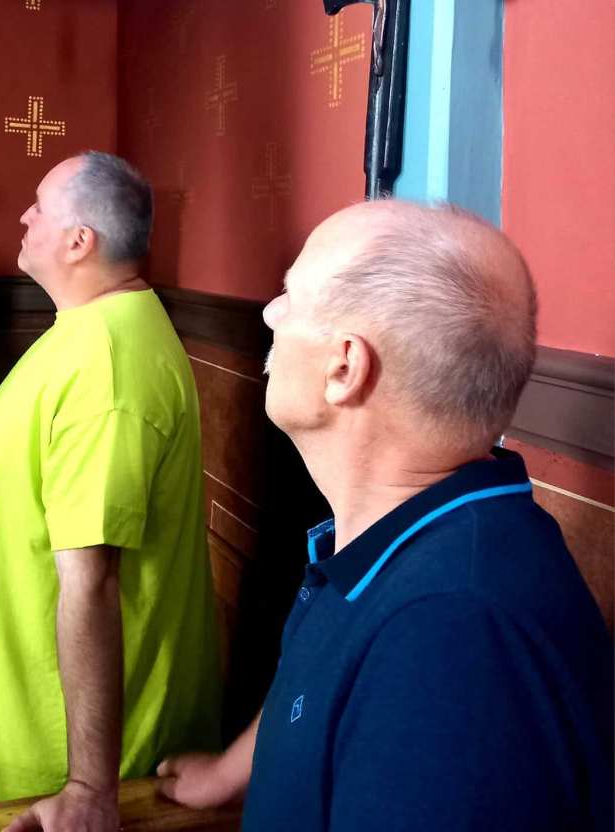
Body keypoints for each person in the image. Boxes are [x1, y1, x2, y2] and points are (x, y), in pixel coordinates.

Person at [157, 200, 613, 831]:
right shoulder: (407, 534)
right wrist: (231, 773)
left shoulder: (450, 646)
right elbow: (324, 674)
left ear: (345, 366)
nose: (269, 313)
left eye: (291, 295)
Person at [0, 151, 220, 829]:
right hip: (19, 710)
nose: (23, 216)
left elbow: (91, 581)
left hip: (61, 767)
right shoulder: (91, 330)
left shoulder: (107, 368)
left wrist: (89, 787)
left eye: (39, 207)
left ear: (78, 241)